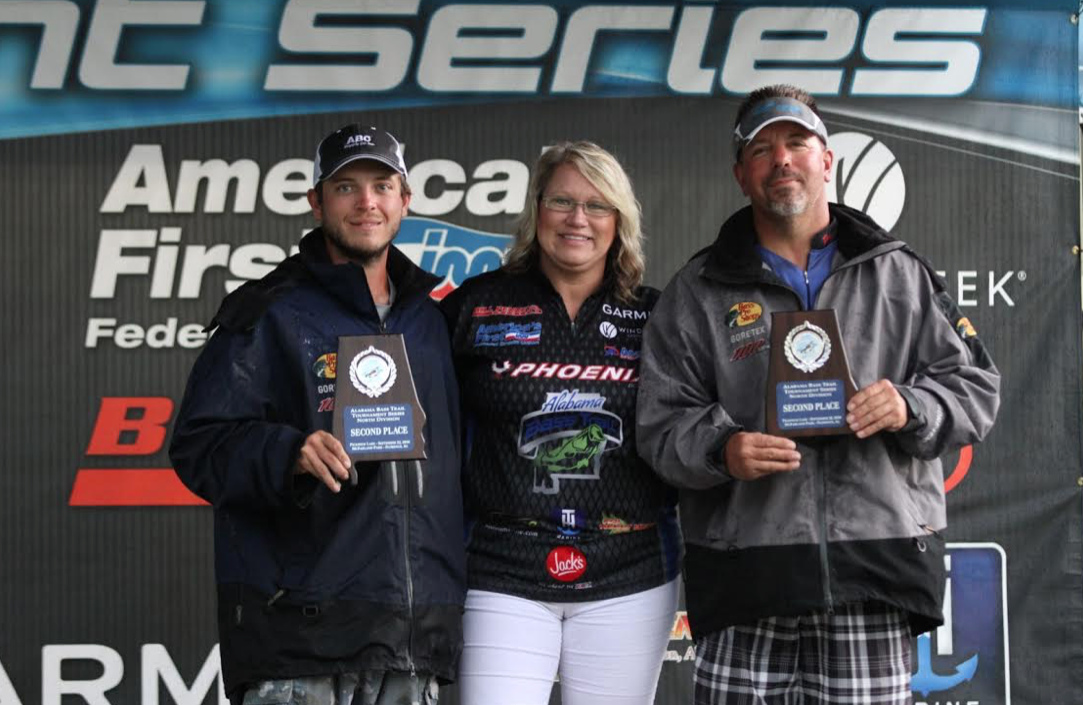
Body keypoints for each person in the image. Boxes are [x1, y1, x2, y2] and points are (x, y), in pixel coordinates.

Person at [636, 85, 1001, 704]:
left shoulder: (898, 271)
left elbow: (975, 387)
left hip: (872, 576)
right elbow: (659, 422)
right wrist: (723, 450)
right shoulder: (698, 289)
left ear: (826, 160)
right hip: (746, 579)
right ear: (740, 174)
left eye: (797, 143)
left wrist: (909, 406)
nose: (781, 159)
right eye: (761, 149)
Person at [169, 125, 466, 705]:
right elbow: (198, 445)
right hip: (300, 639)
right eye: (346, 187)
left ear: (406, 200)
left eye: (382, 186)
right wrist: (288, 454)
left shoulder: (434, 320)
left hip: (412, 642)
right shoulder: (268, 311)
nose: (366, 202)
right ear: (316, 201)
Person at [439, 141, 682, 705]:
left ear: (619, 221)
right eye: (562, 201)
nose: (578, 219)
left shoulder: (657, 316)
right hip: (501, 570)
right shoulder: (476, 305)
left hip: (629, 574)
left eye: (597, 206)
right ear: (536, 210)